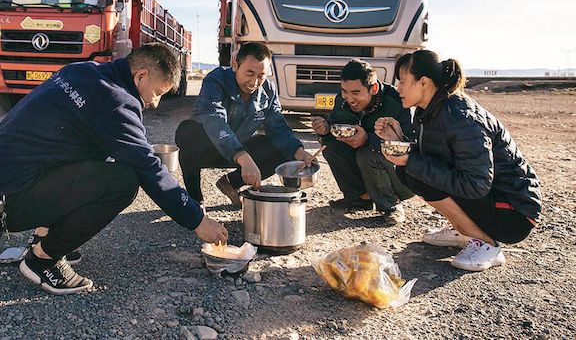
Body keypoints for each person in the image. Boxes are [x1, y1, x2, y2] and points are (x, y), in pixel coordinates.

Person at [0, 43, 227, 294]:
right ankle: (42, 260)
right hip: (7, 201)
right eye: (158, 92)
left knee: (101, 156)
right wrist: (197, 219)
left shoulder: (82, 71)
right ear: (141, 76)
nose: (155, 103)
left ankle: (43, 237)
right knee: (123, 181)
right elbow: (148, 168)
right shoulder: (116, 103)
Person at [375, 50, 542, 271]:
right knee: (408, 170)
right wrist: (400, 140)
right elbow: (439, 157)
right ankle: (465, 229)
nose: (398, 89)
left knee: (414, 170)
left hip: (514, 211)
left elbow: (476, 184)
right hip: (493, 198)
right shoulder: (432, 109)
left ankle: (486, 244)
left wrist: (411, 160)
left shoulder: (460, 117)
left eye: (403, 82)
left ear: (423, 83)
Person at [175, 42, 314, 208]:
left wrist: (298, 151)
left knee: (284, 149)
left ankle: (231, 183)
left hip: (241, 149)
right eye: (249, 73)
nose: (254, 82)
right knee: (186, 133)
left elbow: (278, 127)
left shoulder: (268, 91)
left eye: (261, 75)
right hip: (209, 147)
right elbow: (215, 120)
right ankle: (195, 200)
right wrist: (242, 157)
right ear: (235, 65)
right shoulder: (216, 80)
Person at [310, 59, 414, 225]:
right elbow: (335, 131)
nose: (350, 99)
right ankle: (360, 198)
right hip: (366, 163)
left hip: (401, 177)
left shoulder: (397, 101)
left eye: (356, 93)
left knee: (367, 154)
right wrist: (325, 130)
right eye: (344, 91)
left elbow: (410, 145)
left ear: (373, 88)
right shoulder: (341, 101)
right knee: (331, 148)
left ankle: (391, 205)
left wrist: (368, 140)